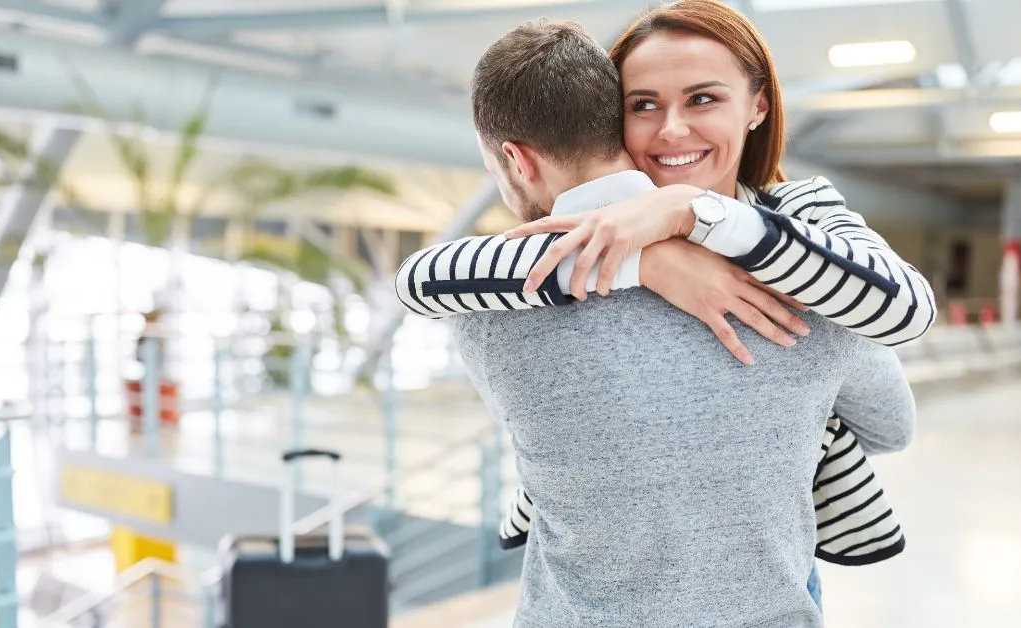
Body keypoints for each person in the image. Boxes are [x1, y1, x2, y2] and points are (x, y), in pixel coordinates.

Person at [396, 0, 932, 601]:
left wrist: (691, 213)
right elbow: (888, 423)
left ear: (759, 104)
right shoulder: (811, 286)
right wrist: (649, 257)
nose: (672, 129)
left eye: (703, 98)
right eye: (643, 105)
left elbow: (907, 307)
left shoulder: (805, 244)